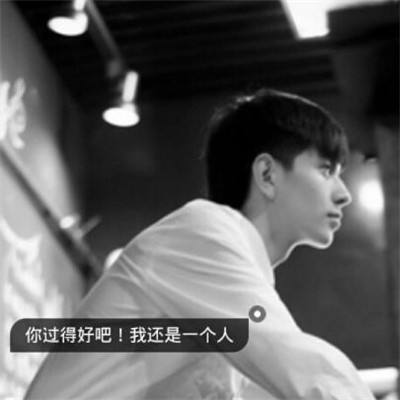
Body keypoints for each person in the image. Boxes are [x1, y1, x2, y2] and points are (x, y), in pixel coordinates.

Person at [25, 89, 375, 399]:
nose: (343, 193)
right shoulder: (203, 232)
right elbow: (304, 368)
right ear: (267, 174)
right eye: (326, 170)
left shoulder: (232, 274)